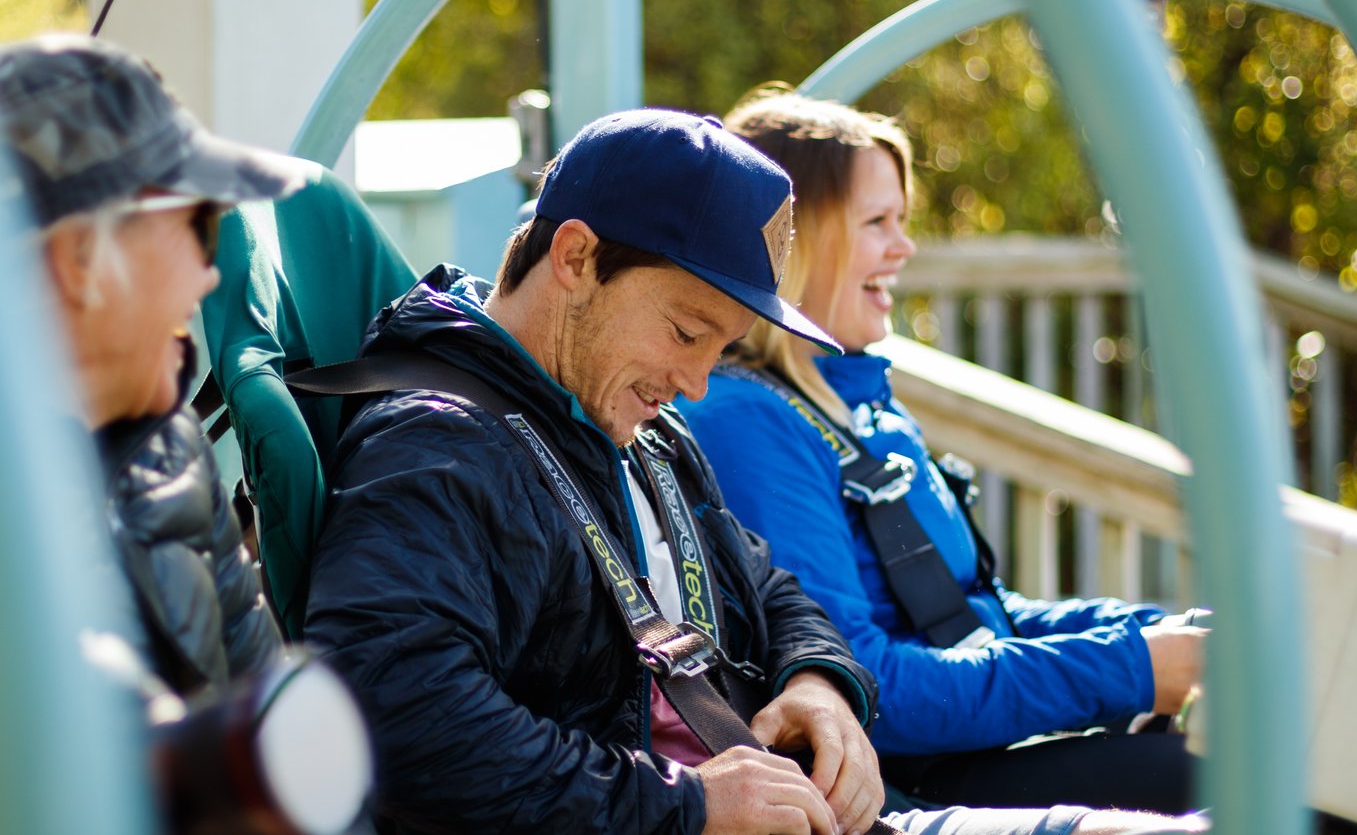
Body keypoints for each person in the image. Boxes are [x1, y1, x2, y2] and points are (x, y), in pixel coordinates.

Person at [302, 107, 1207, 835]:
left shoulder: (629, 425)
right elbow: (393, 712)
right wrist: (683, 807)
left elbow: (769, 584)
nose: (697, 381)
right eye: (687, 331)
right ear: (576, 258)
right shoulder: (440, 443)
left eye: (723, 346)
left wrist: (821, 682)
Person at [677, 88, 1206, 813]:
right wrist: (1129, 669)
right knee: (1239, 781)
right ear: (795, 243)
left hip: (975, 748)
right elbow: (864, 682)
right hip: (915, 781)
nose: (905, 246)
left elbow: (973, 614)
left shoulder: (852, 401)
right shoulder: (750, 420)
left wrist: (1142, 635)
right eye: (877, 223)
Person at [0, 34, 319, 695]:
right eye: (198, 226)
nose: (208, 278)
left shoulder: (172, 450)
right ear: (80, 258)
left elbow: (258, 714)